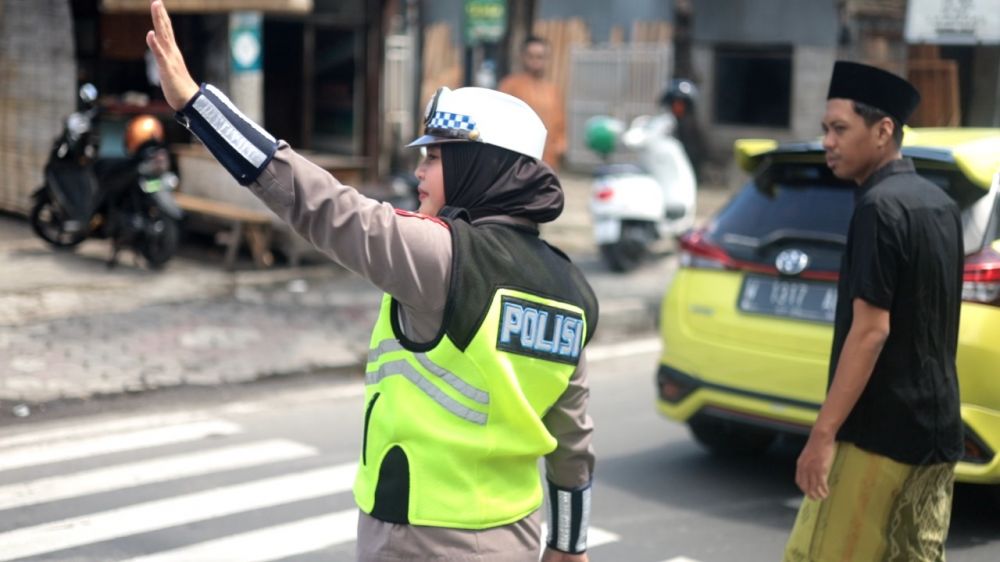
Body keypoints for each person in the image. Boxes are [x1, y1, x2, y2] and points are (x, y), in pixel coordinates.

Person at [145, 2, 598, 561]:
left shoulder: (444, 258)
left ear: (479, 168)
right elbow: (573, 441)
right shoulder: (573, 290)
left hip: (425, 539)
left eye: (435, 158)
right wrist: (571, 543)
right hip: (515, 536)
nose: (419, 172)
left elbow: (323, 205)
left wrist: (196, 105)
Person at [784, 61, 963, 561]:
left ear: (883, 131)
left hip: (876, 438)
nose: (827, 142)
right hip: (938, 432)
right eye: (825, 129)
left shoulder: (877, 208)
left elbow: (870, 332)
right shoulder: (940, 203)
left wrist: (823, 435)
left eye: (839, 129)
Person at [498, 36, 566, 171]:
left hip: (547, 162)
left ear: (547, 59)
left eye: (540, 57)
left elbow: (560, 123)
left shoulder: (552, 90)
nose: (535, 61)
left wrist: (560, 144)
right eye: (531, 56)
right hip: (517, 161)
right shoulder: (510, 85)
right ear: (523, 57)